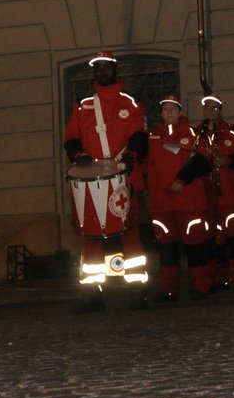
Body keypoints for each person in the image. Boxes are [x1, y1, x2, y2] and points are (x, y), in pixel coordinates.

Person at [62, 50, 150, 310]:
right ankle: (92, 295)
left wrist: (133, 154)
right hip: (92, 179)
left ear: (115, 70)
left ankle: (137, 290)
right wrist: (79, 155)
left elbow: (140, 135)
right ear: (94, 72)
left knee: (131, 233)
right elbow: (71, 138)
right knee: (92, 236)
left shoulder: (130, 104)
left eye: (106, 67)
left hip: (125, 175)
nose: (102, 71)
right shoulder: (83, 106)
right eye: (98, 67)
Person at [172, 94, 234, 292]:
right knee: (211, 237)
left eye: (214, 108)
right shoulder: (196, 134)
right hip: (204, 195)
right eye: (207, 108)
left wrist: (227, 161)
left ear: (220, 111)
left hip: (229, 194)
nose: (210, 112)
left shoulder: (233, 134)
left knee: (233, 236)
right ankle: (216, 276)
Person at [144, 94, 214, 302]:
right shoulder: (152, 137)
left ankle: (201, 286)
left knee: (194, 245)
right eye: (165, 109)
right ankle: (169, 290)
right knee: (166, 249)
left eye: (173, 109)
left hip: (188, 201)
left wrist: (182, 179)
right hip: (161, 204)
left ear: (180, 112)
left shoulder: (194, 135)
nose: (169, 112)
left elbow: (203, 161)